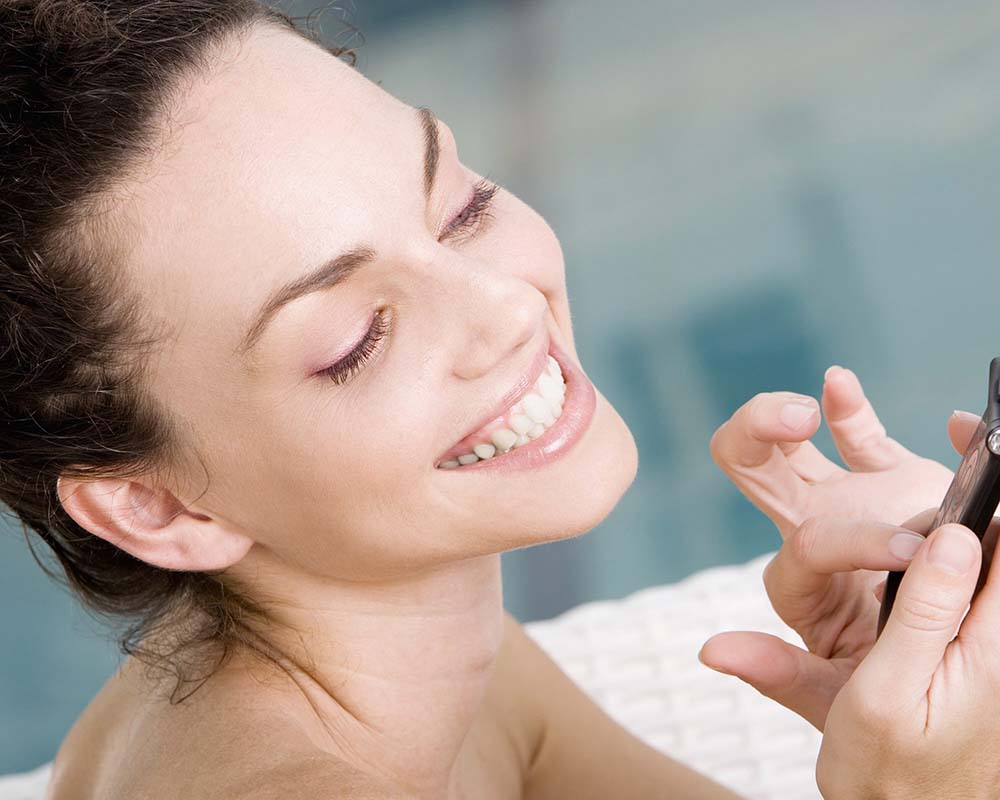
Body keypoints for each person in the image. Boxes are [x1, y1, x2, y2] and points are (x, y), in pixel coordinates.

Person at [1, 2, 997, 797]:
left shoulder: (423, 673)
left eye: (459, 206)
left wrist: (910, 683)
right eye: (355, 341)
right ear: (159, 503)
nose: (502, 311)